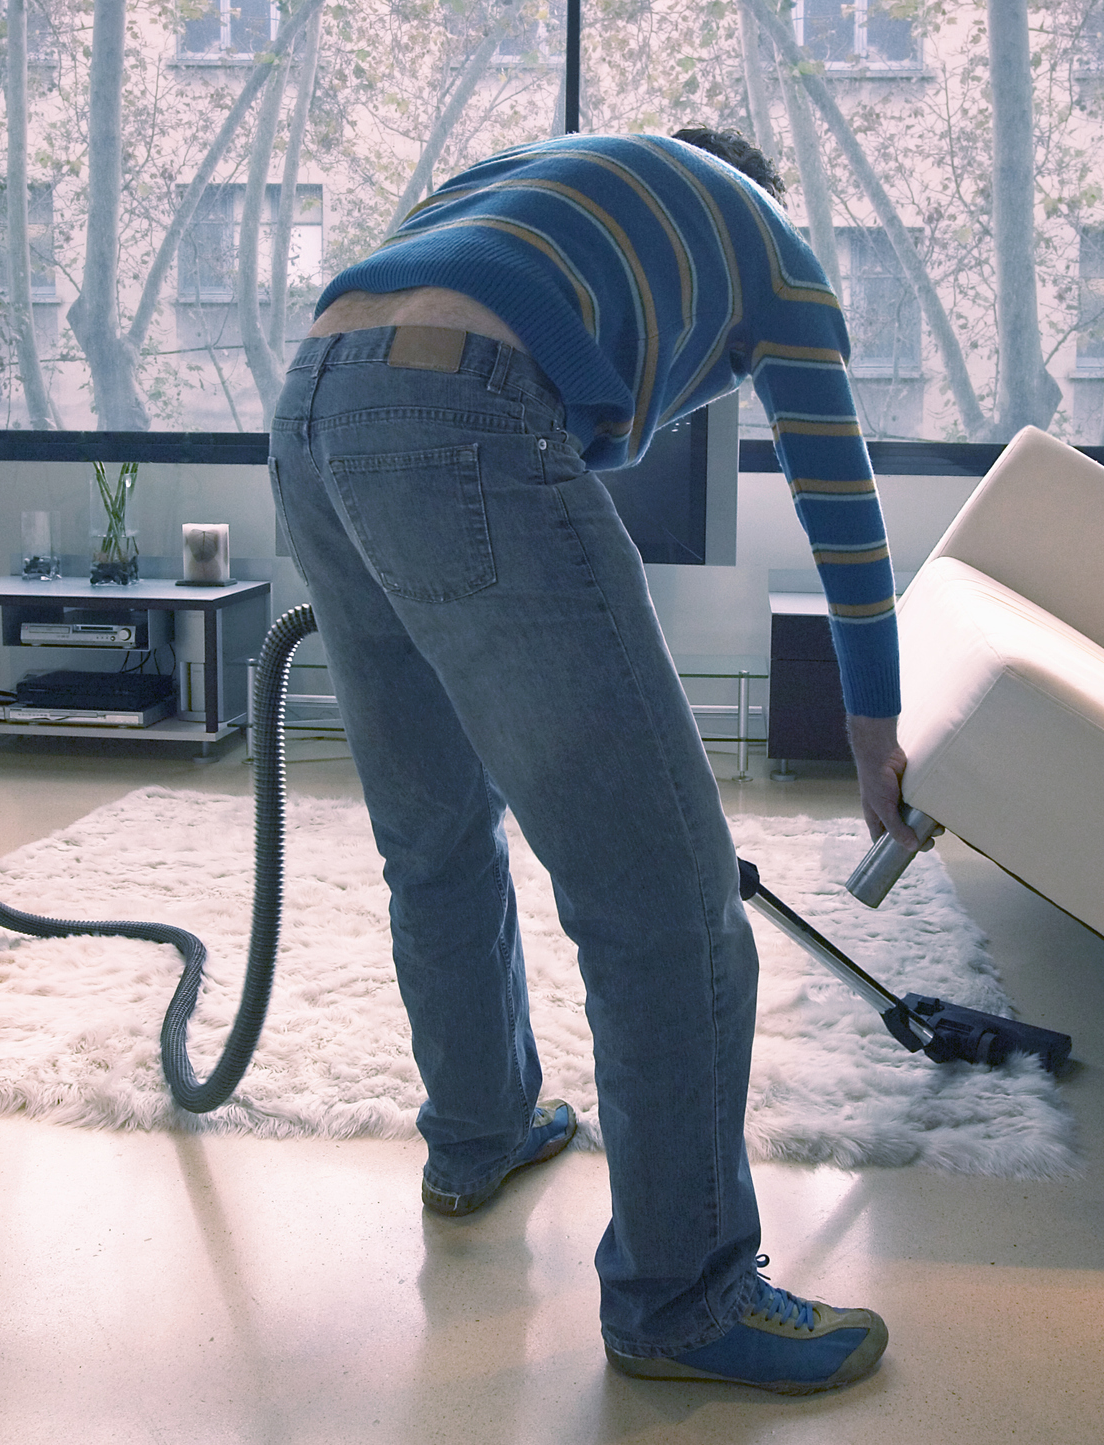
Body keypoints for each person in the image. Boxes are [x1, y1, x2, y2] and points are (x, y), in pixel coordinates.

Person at [266, 127, 913, 1396]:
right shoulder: (774, 253)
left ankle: (479, 1130)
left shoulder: (545, 177)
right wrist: (872, 722)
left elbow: (412, 309)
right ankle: (686, 1293)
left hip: (309, 406)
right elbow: (840, 502)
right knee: (668, 903)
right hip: (461, 413)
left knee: (435, 830)